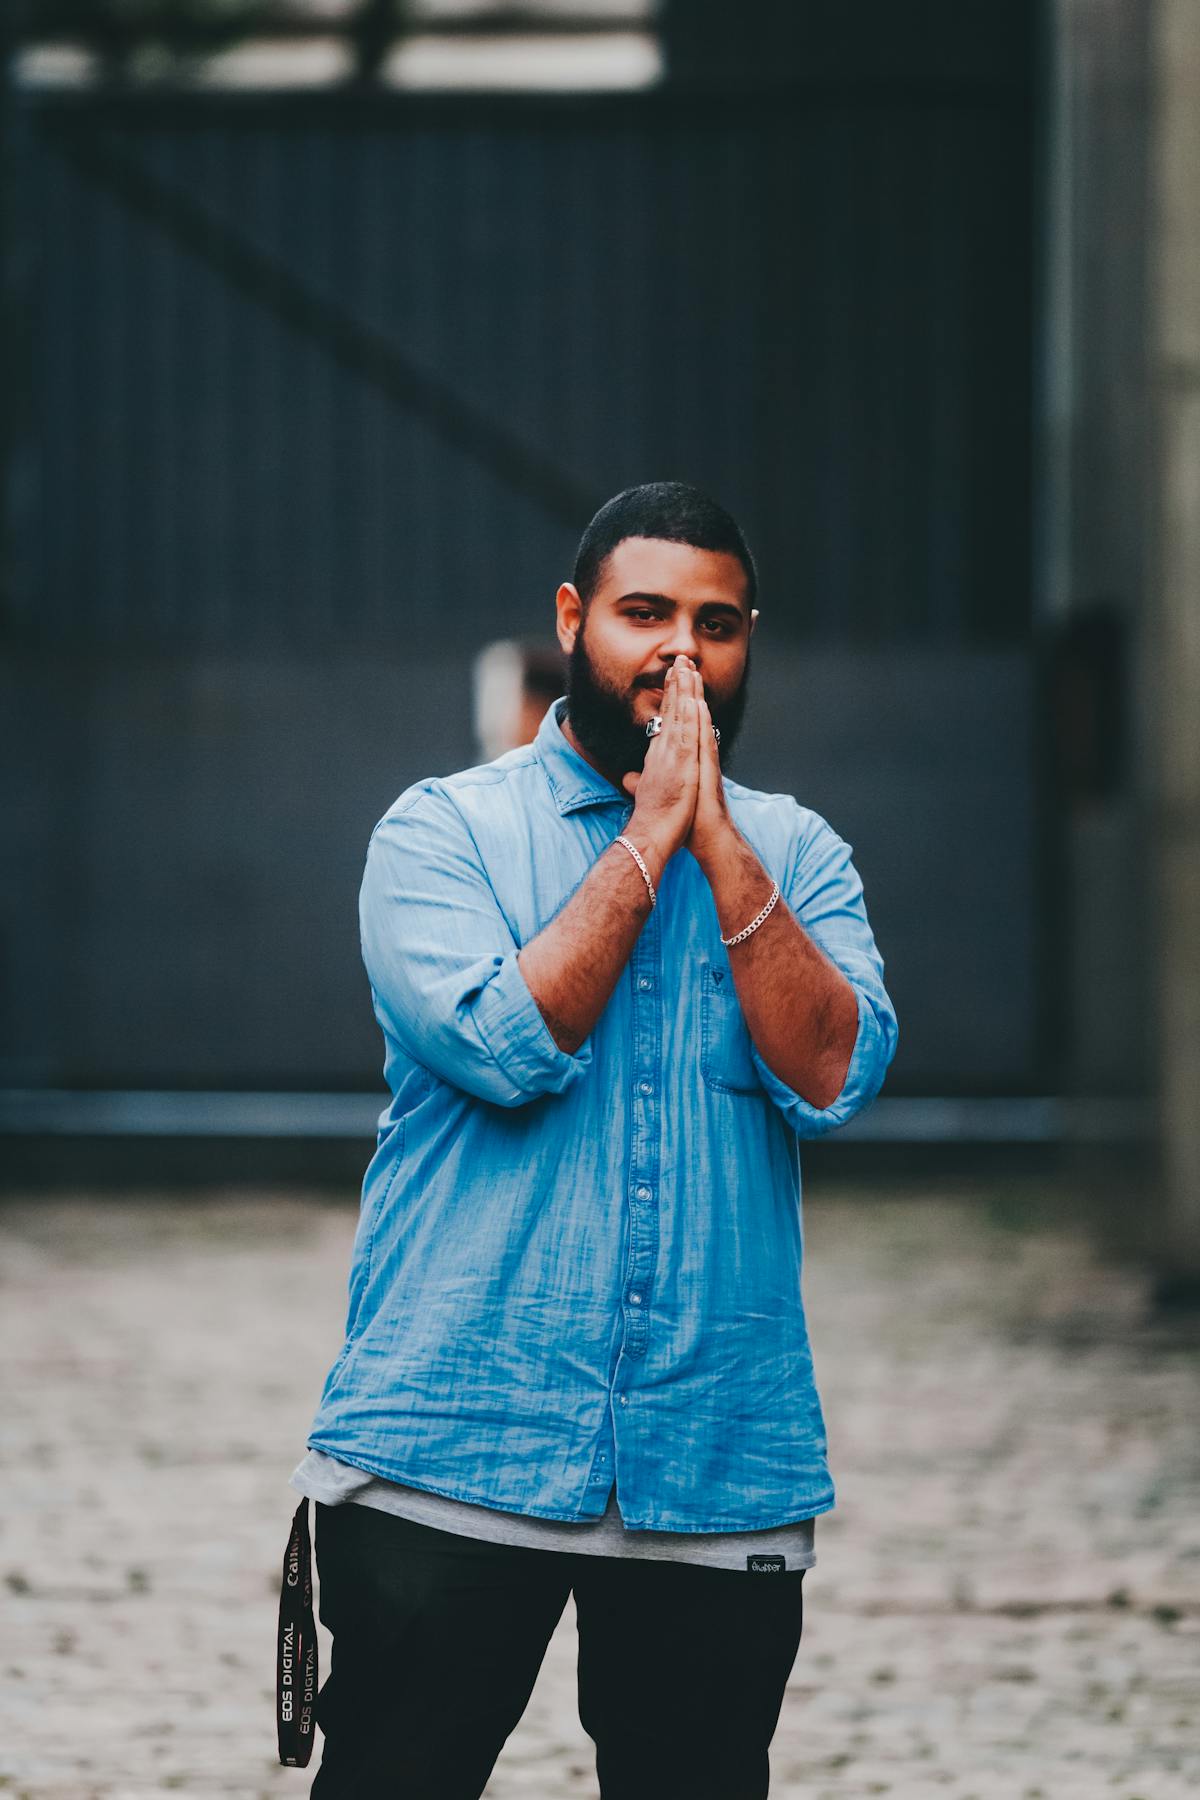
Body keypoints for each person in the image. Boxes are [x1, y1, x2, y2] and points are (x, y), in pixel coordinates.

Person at [288, 480, 899, 1798]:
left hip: (715, 1465)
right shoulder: (442, 831)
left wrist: (720, 847)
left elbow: (837, 1071)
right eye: (645, 614)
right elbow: (506, 1045)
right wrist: (648, 837)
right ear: (573, 620)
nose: (682, 651)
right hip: (455, 1446)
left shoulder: (800, 854)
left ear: (748, 642)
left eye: (716, 624)